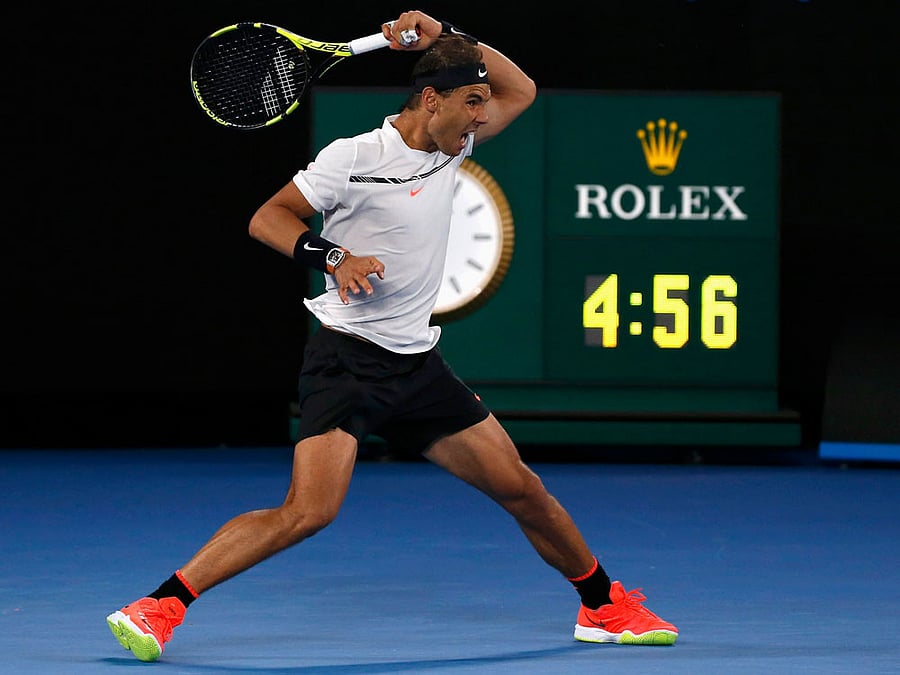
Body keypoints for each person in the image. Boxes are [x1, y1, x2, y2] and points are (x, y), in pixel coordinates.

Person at [106, 11, 678, 662]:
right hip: (346, 361)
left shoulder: (453, 144)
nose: (483, 118)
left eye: (481, 104)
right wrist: (332, 259)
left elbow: (524, 90)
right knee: (308, 511)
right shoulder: (354, 158)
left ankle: (604, 605)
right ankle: (159, 605)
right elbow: (268, 217)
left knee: (522, 488)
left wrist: (446, 34)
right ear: (430, 100)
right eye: (470, 102)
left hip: (418, 365)